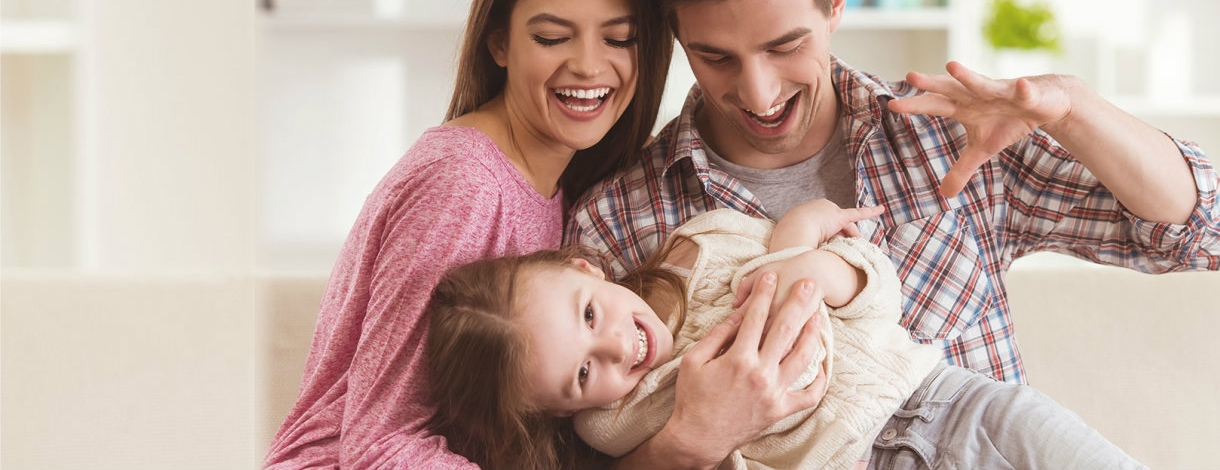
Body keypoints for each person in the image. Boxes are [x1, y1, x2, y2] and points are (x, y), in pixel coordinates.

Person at [565, 0, 1220, 466]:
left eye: (784, 46)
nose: (759, 92)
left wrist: (1073, 109)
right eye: (715, 57)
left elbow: (1213, 233)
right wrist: (689, 440)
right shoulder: (620, 220)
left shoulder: (947, 139)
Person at [262, 0, 679, 466]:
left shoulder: (562, 182)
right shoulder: (464, 184)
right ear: (498, 42)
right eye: (551, 38)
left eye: (619, 38)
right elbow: (379, 447)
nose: (588, 65)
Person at [426, 200, 1148, 469]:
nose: (617, 347)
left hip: (956, 404)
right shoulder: (615, 427)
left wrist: (824, 266)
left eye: (590, 314)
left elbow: (874, 294)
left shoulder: (702, 245)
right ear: (559, 410)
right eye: (582, 373)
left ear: (583, 265)